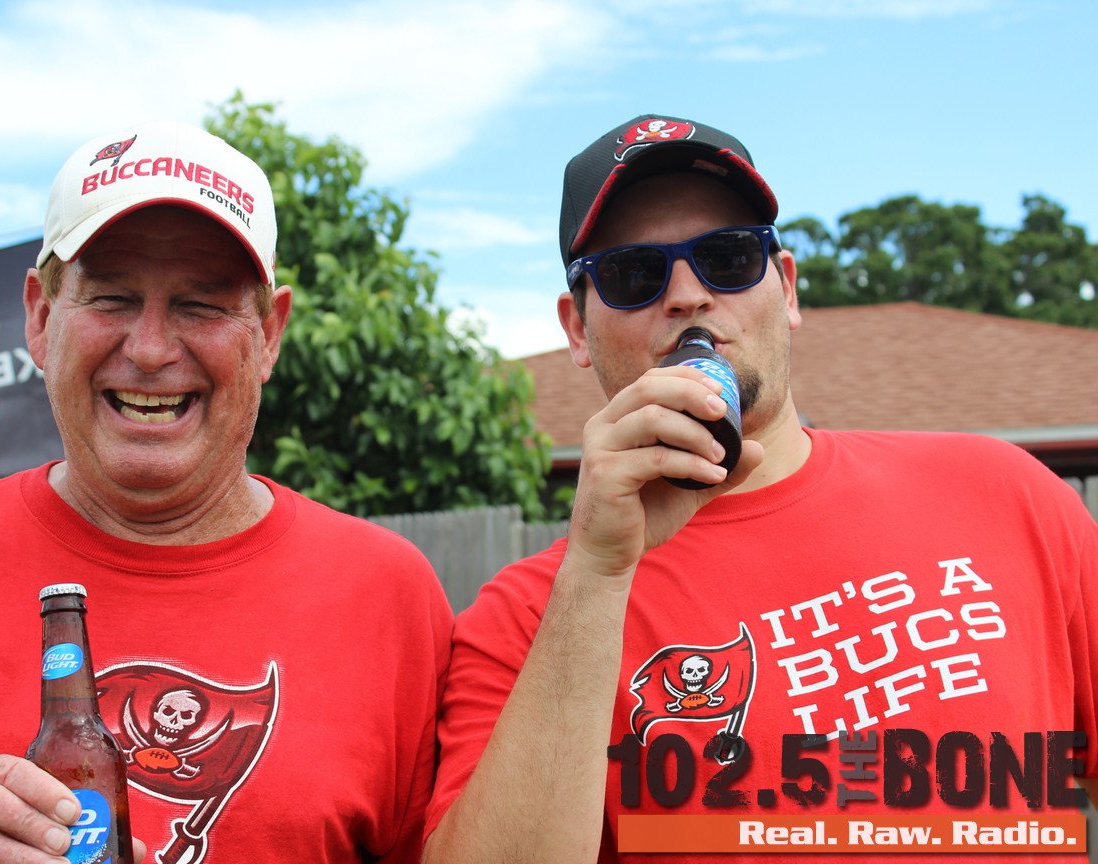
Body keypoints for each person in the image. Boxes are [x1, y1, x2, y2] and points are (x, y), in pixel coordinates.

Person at [421, 114, 1098, 863]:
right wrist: (598, 574)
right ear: (577, 330)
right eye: (633, 274)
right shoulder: (522, 622)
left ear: (788, 288)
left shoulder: (1004, 496)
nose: (686, 295)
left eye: (728, 257)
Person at [0, 120, 452, 864]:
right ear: (41, 319)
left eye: (202, 304)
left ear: (269, 335)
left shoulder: (389, 595)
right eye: (110, 298)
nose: (149, 349)